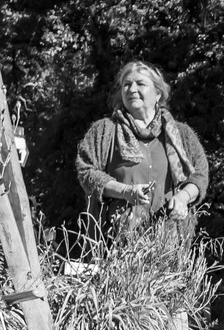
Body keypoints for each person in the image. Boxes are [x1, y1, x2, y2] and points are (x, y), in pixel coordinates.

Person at [75, 61, 208, 237]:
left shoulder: (182, 134)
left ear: (158, 93)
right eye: (127, 84)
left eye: (140, 84)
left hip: (169, 241)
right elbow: (86, 172)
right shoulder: (104, 131)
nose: (132, 89)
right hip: (115, 240)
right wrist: (125, 191)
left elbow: (199, 175)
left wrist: (183, 197)